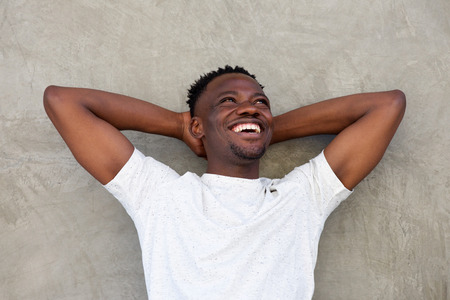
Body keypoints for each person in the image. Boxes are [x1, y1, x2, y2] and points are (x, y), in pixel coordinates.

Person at [43, 65, 406, 299]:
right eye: (228, 101)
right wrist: (181, 126)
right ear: (199, 124)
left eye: (259, 103)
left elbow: (388, 106)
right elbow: (63, 101)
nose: (250, 107)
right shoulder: (161, 194)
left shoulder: (300, 197)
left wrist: (258, 128)